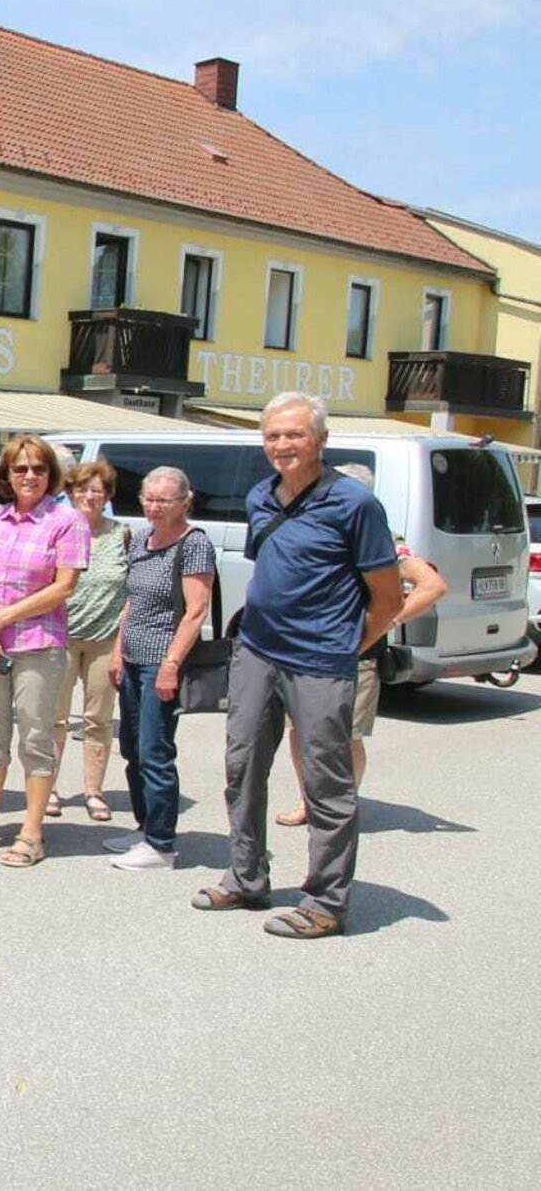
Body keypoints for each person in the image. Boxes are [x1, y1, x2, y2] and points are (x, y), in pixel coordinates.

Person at [194, 393, 402, 939]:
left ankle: (326, 903)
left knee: (325, 784)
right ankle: (246, 876)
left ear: (321, 440)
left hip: (320, 662)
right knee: (242, 770)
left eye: (294, 434)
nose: (282, 445)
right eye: (273, 436)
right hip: (256, 652)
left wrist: (347, 646)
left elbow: (388, 597)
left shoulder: (354, 503)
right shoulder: (261, 494)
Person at [274, 464, 447, 828]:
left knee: (346, 736)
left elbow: (432, 587)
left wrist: (390, 619)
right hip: (307, 654)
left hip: (358, 655)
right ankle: (309, 801)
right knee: (299, 730)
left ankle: (341, 808)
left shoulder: (384, 541)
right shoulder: (316, 535)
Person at [0, 434, 87, 867]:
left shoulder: (67, 523)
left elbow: (64, 586)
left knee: (35, 737)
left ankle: (32, 832)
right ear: (6, 476)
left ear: (50, 475)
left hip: (38, 646)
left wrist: (1, 619)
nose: (29, 476)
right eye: (20, 469)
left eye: (38, 469)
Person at [102, 467, 214, 870]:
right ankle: (145, 827)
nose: (154, 507)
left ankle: (162, 844)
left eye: (163, 500)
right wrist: (118, 652)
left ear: (185, 501)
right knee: (132, 749)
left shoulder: (194, 544)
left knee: (155, 751)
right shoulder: (143, 540)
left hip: (162, 661)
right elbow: (130, 602)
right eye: (149, 498)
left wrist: (170, 665)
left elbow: (196, 610)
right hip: (132, 658)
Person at [48, 459, 127, 822]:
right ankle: (47, 787)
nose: (89, 496)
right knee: (54, 717)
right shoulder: (56, 528)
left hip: (104, 638)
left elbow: (132, 592)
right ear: (70, 492)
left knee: (98, 718)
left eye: (97, 489)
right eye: (81, 489)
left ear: (107, 495)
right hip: (59, 635)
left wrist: (122, 643)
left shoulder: (122, 534)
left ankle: (94, 791)